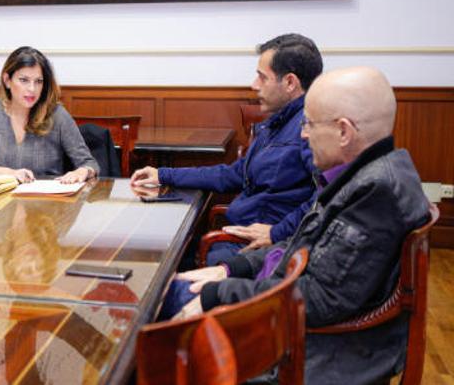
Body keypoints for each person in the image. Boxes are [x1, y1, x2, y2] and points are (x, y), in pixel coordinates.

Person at [163, 67, 430, 383]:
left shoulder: (375, 192)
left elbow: (320, 299)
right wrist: (232, 269)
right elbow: (303, 243)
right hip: (290, 322)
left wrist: (219, 294)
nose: (303, 134)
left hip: (308, 352)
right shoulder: (368, 174)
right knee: (159, 298)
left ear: (344, 131)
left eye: (309, 124)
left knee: (147, 308)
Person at [131, 33, 322, 265]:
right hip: (237, 236)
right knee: (158, 250)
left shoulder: (311, 128)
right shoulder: (277, 123)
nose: (254, 85)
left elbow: (326, 198)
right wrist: (163, 174)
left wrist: (277, 232)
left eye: (262, 77)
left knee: (160, 265)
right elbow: (233, 175)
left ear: (290, 83)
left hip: (257, 251)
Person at [0, 46, 99, 183]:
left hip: (47, 200)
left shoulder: (57, 114)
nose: (32, 89)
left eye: (38, 81)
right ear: (7, 80)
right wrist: (11, 173)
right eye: (24, 80)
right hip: (3, 198)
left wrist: (84, 170)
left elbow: (89, 163)